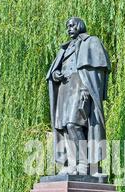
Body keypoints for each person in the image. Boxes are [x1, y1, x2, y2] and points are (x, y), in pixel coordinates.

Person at [47, 17, 111, 175]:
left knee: (73, 124)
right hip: (64, 88)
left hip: (80, 86)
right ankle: (72, 164)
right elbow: (56, 68)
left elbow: (97, 72)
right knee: (65, 128)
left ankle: (84, 164)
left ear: (80, 25)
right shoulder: (65, 48)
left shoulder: (91, 41)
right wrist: (55, 74)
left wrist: (86, 90)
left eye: (72, 25)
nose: (69, 29)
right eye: (67, 26)